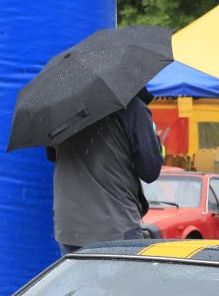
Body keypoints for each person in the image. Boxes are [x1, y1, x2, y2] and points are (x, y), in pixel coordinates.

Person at [48, 92, 164, 255]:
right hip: (114, 225)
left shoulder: (63, 109)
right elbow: (150, 170)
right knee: (125, 273)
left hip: (69, 226)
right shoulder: (131, 106)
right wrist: (154, 141)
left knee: (78, 273)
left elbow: (52, 155)